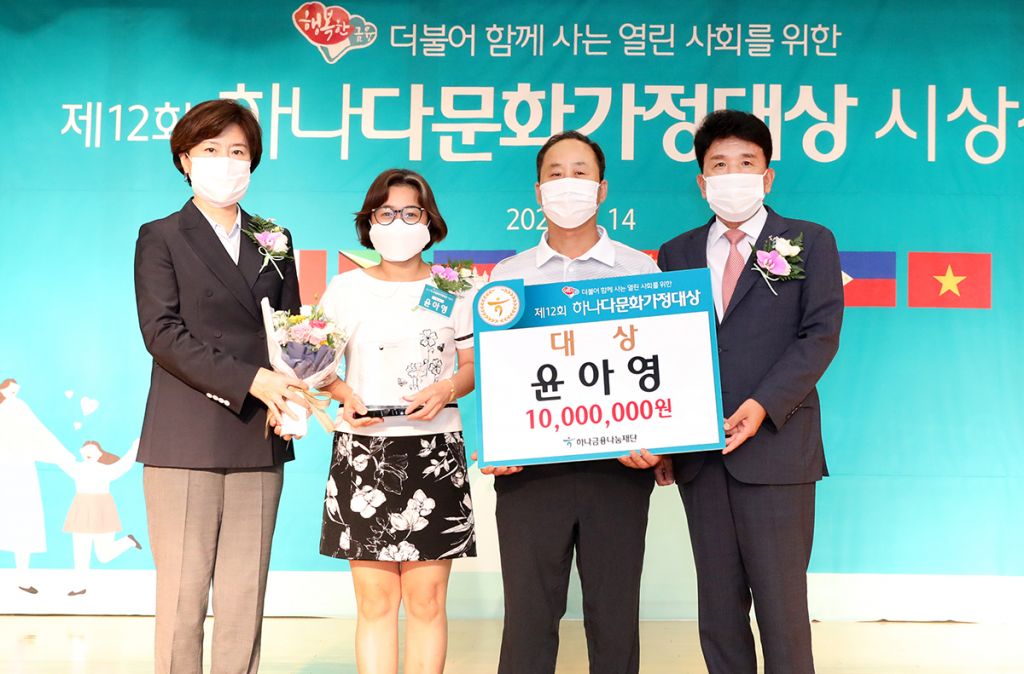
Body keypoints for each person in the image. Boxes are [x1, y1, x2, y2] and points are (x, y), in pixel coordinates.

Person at [656, 109, 844, 674]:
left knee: (782, 611)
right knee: (718, 612)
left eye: (746, 162)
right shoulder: (676, 253)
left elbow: (820, 336)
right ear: (701, 181)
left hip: (778, 448)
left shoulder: (809, 241)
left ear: (767, 175)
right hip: (702, 455)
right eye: (719, 164)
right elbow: (666, 350)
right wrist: (665, 436)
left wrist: (762, 405)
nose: (732, 174)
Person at [483, 130, 671, 674]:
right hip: (530, 472)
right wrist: (499, 440)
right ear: (538, 190)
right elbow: (497, 373)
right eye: (556, 174)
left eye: (581, 173)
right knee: (528, 619)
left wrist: (661, 440)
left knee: (614, 617)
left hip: (617, 468)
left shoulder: (640, 272)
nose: (569, 184)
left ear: (602, 188)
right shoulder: (508, 277)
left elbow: (663, 369)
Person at [133, 98, 307, 674]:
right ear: (186, 159)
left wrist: (296, 390)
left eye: (238, 151)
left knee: (244, 598)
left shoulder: (273, 236)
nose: (226, 161)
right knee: (183, 598)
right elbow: (162, 334)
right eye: (211, 149)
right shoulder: (161, 236)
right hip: (186, 436)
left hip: (259, 433)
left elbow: (292, 333)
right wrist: (252, 379)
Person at [318, 168, 477, 674]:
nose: (399, 223)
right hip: (364, 450)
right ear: (369, 221)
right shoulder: (345, 288)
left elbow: (472, 365)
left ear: (430, 221)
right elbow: (315, 365)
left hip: (435, 452)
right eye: (387, 213)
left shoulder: (456, 284)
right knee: (375, 602)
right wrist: (344, 393)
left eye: (411, 213)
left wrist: (447, 388)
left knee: (427, 601)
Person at [0, 377, 76, 594]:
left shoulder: (19, 407)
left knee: (23, 524)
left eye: (16, 392)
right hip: (9, 469)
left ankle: (22, 577)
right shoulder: (12, 408)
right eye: (10, 391)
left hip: (21, 470)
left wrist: (63, 455)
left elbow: (39, 433)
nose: (13, 395)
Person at [58, 439, 143, 596]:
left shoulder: (107, 470)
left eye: (93, 451)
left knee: (104, 555)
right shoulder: (76, 468)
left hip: (103, 510)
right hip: (81, 509)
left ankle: (128, 541)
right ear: (81, 452)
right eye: (86, 450)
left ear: (100, 454)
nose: (89, 453)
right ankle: (79, 586)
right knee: (80, 551)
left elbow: (124, 464)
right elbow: (59, 457)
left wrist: (135, 445)